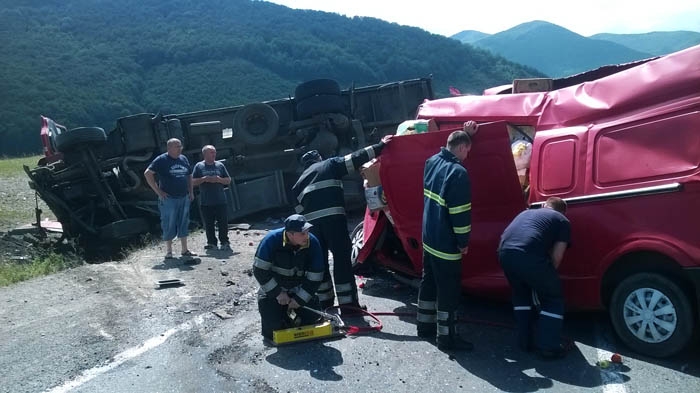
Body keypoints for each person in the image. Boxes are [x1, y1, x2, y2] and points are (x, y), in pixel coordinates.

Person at [292, 135, 393, 309]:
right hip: (334, 222)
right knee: (341, 259)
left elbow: (298, 213)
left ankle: (326, 304)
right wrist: (380, 146)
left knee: (319, 262)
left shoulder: (298, 184)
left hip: (312, 229)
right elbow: (355, 158)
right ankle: (349, 305)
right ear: (319, 159)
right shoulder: (329, 165)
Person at [416, 129, 474, 351]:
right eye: (467, 150)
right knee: (448, 291)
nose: (467, 155)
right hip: (446, 245)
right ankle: (447, 338)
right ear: (460, 148)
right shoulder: (458, 173)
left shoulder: (431, 161)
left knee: (428, 282)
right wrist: (463, 241)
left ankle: (424, 327)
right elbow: (460, 213)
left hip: (429, 238)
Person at [497, 197, 571, 360]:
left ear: (545, 205)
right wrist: (546, 279)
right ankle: (549, 347)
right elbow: (557, 257)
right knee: (553, 298)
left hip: (504, 253)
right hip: (528, 255)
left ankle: (525, 341)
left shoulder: (526, 212)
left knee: (521, 293)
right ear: (563, 211)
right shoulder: (562, 220)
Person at [253, 214, 325, 342]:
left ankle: (292, 317)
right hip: (275, 291)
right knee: (272, 331)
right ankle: (283, 316)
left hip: (300, 289)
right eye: (302, 233)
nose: (307, 236)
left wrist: (300, 299)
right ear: (290, 234)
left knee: (312, 320)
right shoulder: (271, 240)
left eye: (307, 232)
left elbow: (316, 276)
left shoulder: (313, 243)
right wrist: (278, 293)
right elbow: (260, 271)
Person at [144, 138, 196, 259]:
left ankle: (185, 249)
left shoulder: (183, 159)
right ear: (169, 148)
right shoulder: (161, 159)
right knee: (168, 223)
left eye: (180, 146)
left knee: (184, 222)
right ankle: (169, 251)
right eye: (177, 146)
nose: (180, 149)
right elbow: (148, 173)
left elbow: (189, 175)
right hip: (169, 198)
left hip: (184, 196)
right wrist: (158, 191)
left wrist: (191, 192)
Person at [192, 145, 232, 251]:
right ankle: (211, 243)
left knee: (223, 223)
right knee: (209, 224)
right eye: (211, 152)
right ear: (204, 154)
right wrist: (204, 179)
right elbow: (192, 182)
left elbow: (228, 180)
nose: (214, 154)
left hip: (220, 200)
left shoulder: (220, 165)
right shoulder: (199, 166)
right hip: (206, 201)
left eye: (214, 152)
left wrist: (218, 179)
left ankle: (224, 242)